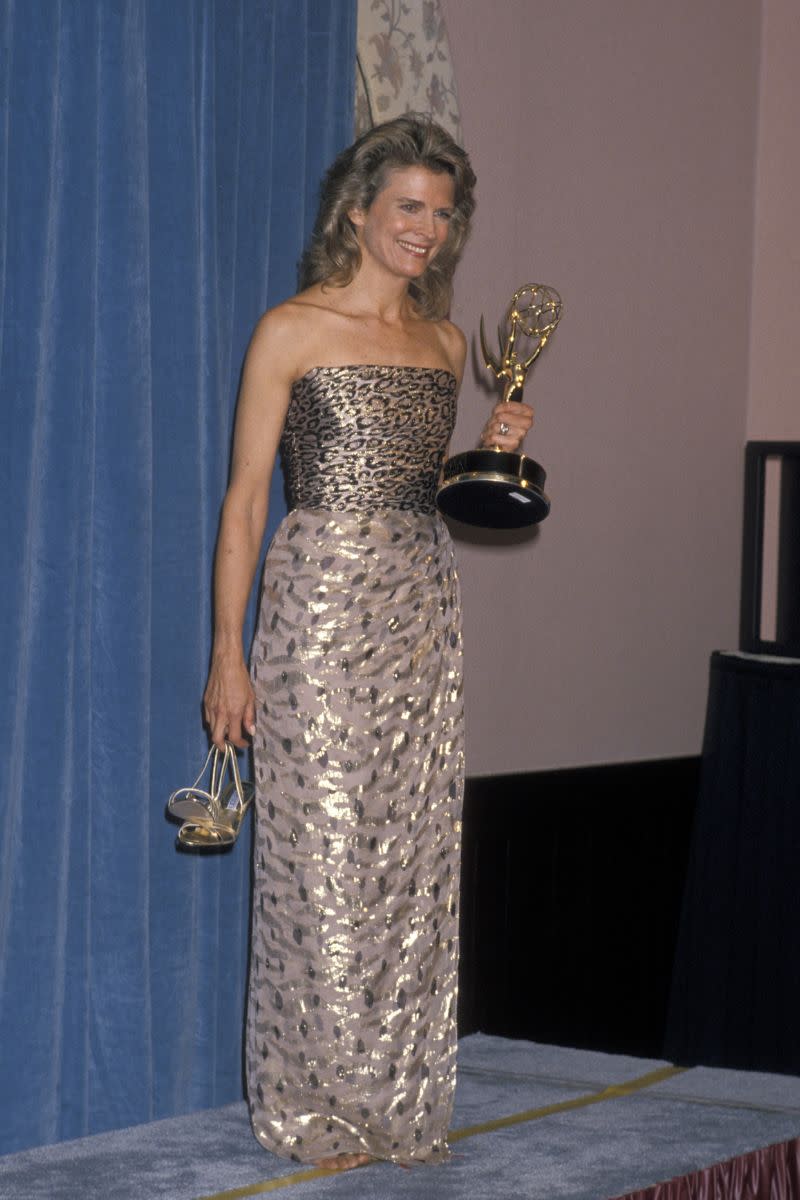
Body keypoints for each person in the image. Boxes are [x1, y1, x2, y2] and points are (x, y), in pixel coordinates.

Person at [202, 115, 533, 1172]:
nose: (424, 230)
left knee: (410, 859)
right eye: (407, 208)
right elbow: (247, 504)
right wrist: (227, 651)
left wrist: (489, 450)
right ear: (356, 211)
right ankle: (315, 1106)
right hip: (317, 605)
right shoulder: (289, 330)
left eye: (441, 214)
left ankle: (397, 1101)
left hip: (417, 608)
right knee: (321, 858)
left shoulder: (442, 345)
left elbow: (416, 487)